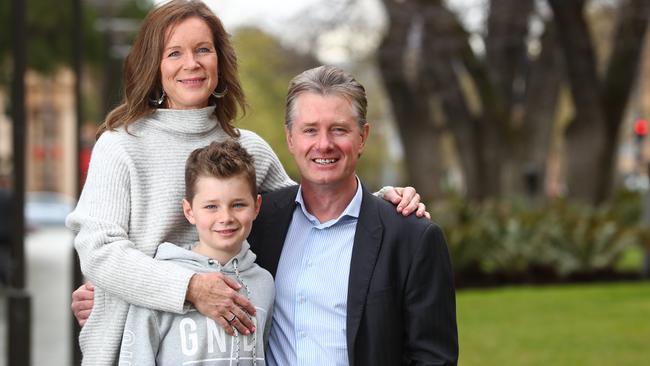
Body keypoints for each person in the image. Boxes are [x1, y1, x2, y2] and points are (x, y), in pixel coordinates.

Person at [67, 1, 425, 364]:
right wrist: (189, 288)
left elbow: (308, 212)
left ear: (219, 61)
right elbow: (100, 249)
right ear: (153, 66)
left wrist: (380, 203)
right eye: (174, 53)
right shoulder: (120, 146)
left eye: (203, 50)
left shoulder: (247, 148)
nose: (191, 63)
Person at [247, 65, 459, 365]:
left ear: (362, 137)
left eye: (339, 129)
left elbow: (434, 359)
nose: (324, 144)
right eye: (310, 130)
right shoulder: (259, 223)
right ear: (290, 138)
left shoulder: (412, 237)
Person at [119, 140, 272, 365]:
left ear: (256, 206)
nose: (226, 217)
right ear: (189, 211)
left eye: (238, 204)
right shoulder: (161, 279)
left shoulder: (265, 283)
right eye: (211, 206)